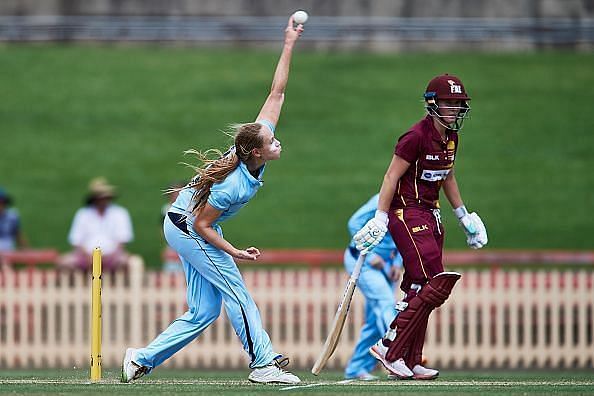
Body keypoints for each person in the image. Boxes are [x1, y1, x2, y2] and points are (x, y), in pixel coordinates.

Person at [121, 16, 304, 385]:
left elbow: (277, 94)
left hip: (189, 223)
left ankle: (140, 358)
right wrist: (234, 251)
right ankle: (263, 363)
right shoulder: (232, 185)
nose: (277, 142)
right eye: (271, 143)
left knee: (204, 311)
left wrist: (288, 44)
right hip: (189, 228)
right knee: (235, 289)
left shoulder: (254, 144)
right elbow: (202, 225)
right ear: (256, 152)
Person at [353, 74, 488, 380]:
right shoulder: (414, 137)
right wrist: (380, 216)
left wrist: (463, 216)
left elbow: (448, 177)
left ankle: (410, 359)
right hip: (407, 212)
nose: (454, 109)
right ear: (432, 103)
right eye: (448, 103)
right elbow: (390, 177)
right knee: (434, 282)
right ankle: (389, 346)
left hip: (431, 214)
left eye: (458, 104)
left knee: (418, 286)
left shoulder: (451, 138)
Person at [343, 194, 403, 381]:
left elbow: (405, 235)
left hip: (387, 265)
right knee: (386, 303)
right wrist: (368, 254)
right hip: (363, 261)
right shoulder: (382, 199)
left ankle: (356, 368)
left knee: (374, 321)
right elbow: (354, 223)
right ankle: (398, 354)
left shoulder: (412, 202)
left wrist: (398, 263)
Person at [58, 177, 134, 271]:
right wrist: (88, 256)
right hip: (86, 257)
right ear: (94, 198)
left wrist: (109, 256)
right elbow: (76, 241)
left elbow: (122, 240)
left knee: (129, 262)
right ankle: (79, 284)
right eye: (100, 197)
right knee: (64, 262)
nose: (103, 200)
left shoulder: (120, 213)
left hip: (113, 256)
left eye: (105, 197)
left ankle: (120, 284)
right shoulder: (83, 214)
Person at [0, 187, 28, 252]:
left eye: (2, 203)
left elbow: (18, 234)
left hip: (8, 248)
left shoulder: (12, 216)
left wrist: (26, 249)